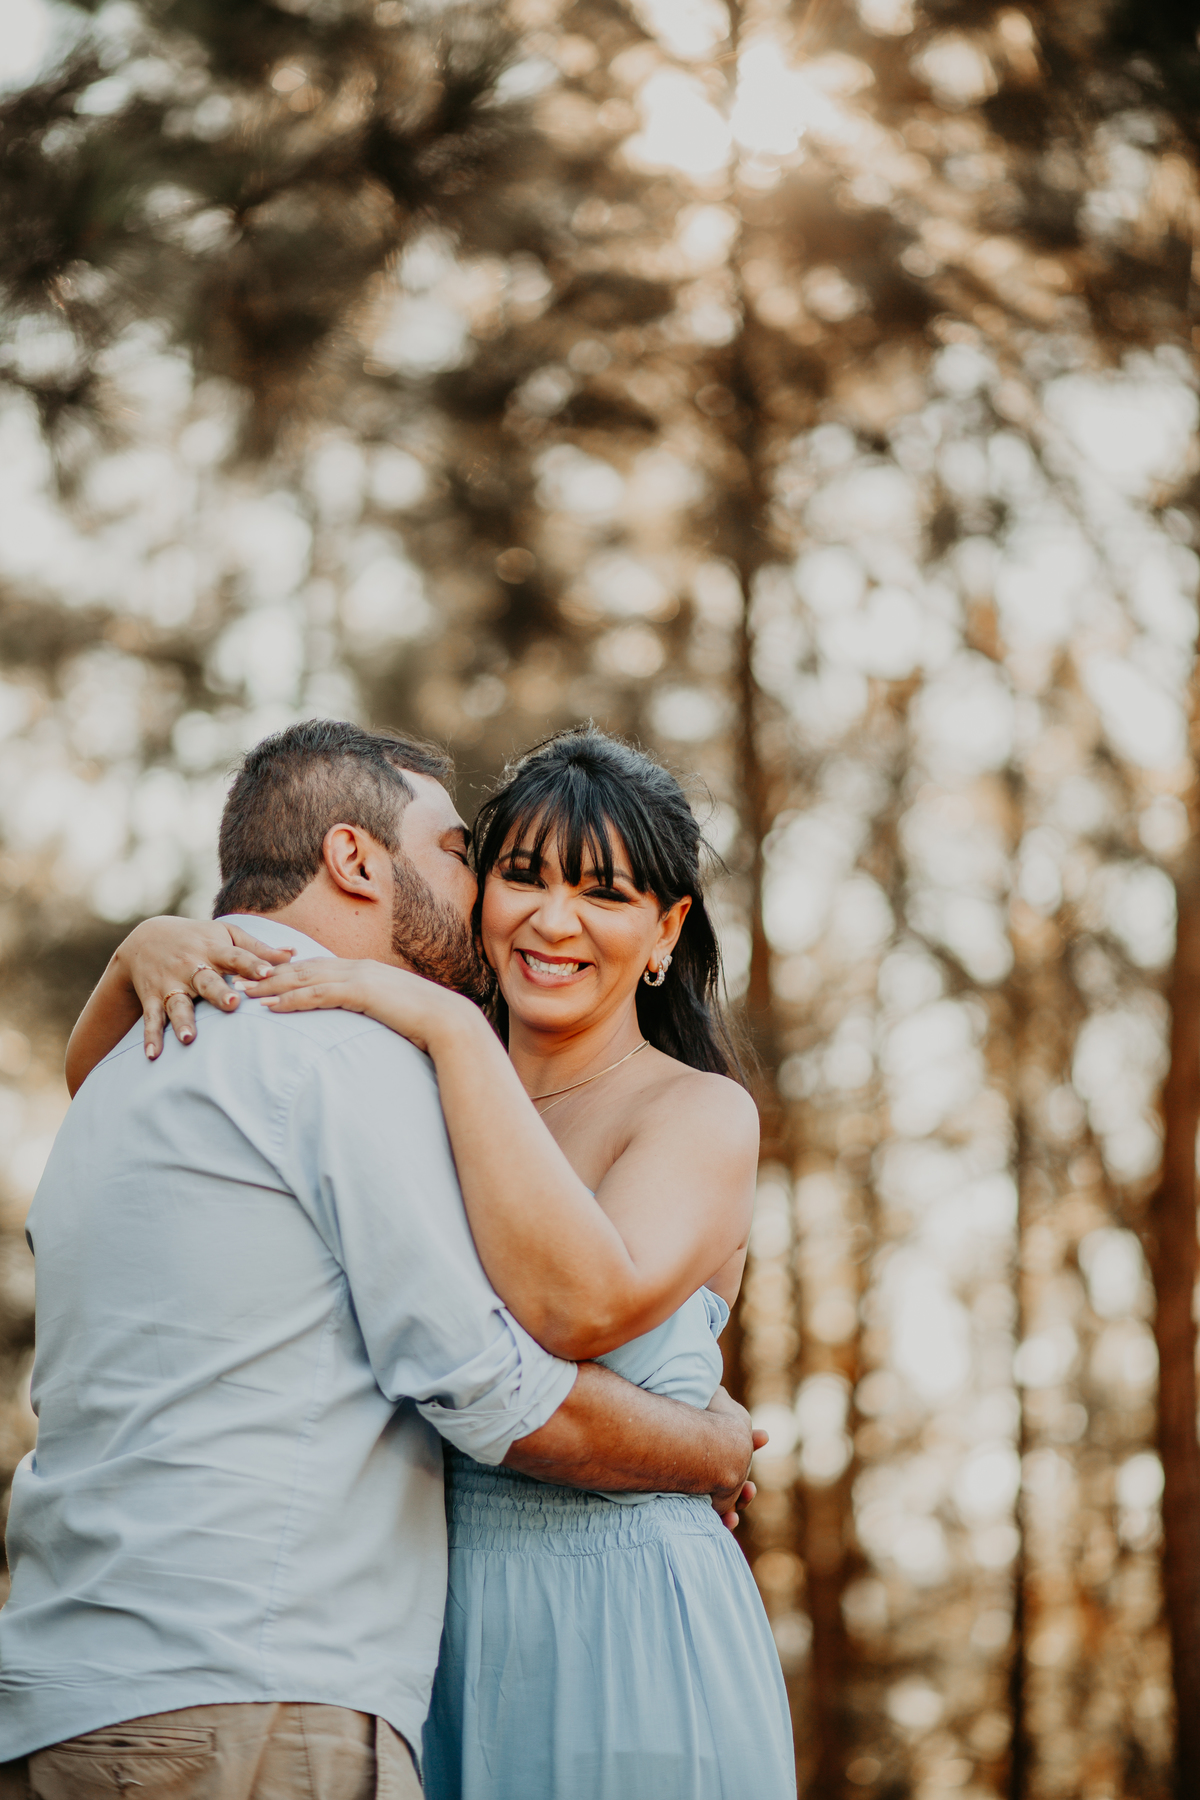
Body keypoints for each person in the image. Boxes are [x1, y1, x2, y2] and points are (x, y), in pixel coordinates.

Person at [0, 721, 758, 1800]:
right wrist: (712, 1447)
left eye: (604, 893)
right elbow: (496, 1385)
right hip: (345, 1666)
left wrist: (437, 1024)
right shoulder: (367, 1062)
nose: (547, 915)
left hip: (600, 1628)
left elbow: (578, 1306)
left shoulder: (182, 1059)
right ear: (360, 861)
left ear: (664, 929)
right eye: (497, 866)